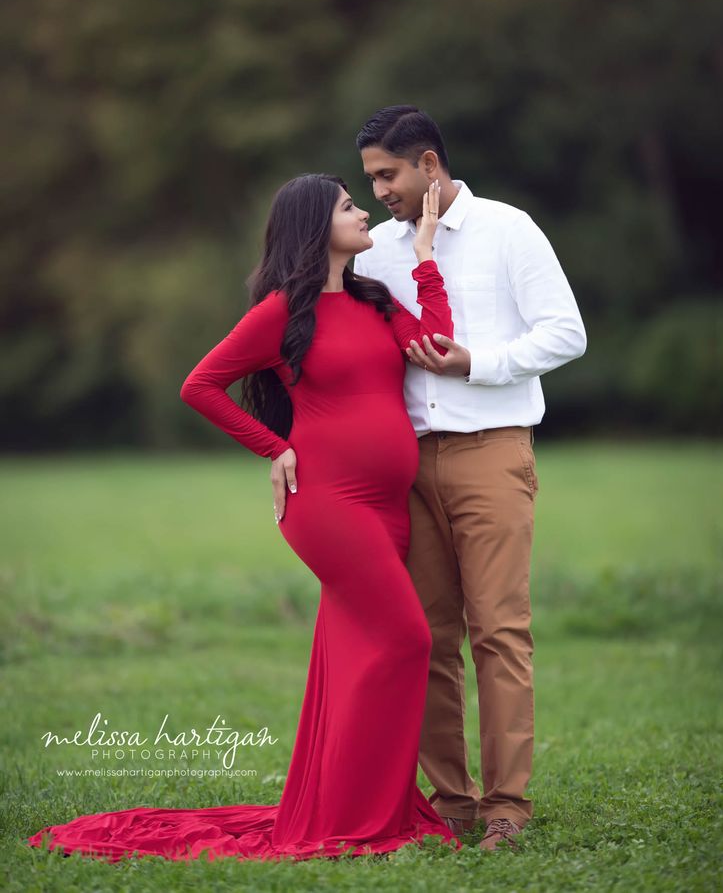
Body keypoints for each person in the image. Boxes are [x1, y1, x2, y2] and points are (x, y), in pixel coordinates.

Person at [26, 173, 463, 863]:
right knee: (407, 638)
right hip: (328, 503)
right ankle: (368, 816)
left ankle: (348, 805)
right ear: (318, 226)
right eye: (350, 205)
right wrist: (276, 445)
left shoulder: (376, 301)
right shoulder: (283, 313)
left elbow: (438, 346)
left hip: (385, 507)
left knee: (355, 654)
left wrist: (428, 253)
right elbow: (199, 385)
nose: (363, 211)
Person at [353, 105, 587, 852]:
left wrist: (477, 364)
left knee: (500, 633)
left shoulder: (509, 230)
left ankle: (506, 808)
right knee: (426, 636)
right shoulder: (376, 253)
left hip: (492, 451)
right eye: (370, 178)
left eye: (387, 173)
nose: (379, 190)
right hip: (406, 464)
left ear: (428, 163)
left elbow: (565, 332)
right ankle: (449, 804)